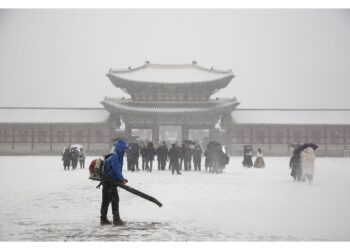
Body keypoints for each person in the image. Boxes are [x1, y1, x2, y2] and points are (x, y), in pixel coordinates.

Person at [100, 139, 129, 226]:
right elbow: (116, 170)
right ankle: (116, 219)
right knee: (114, 200)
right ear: (120, 148)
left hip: (107, 181)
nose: (125, 151)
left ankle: (103, 219)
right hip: (110, 182)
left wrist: (121, 179)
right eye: (124, 149)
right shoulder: (114, 157)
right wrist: (122, 179)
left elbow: (117, 170)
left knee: (106, 200)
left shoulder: (115, 156)